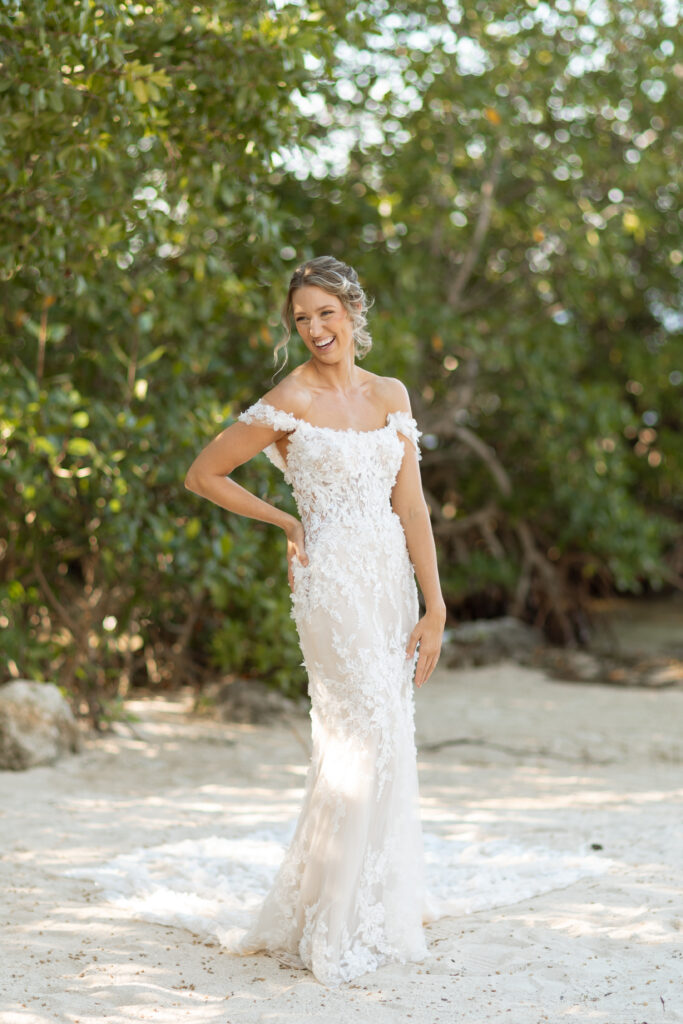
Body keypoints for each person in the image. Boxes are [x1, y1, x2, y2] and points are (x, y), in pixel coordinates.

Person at [184, 254, 447, 986]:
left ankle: (375, 898)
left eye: (324, 313)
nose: (314, 329)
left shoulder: (390, 393)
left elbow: (412, 505)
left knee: (388, 730)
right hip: (328, 579)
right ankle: (334, 921)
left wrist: (434, 604)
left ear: (353, 312)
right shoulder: (288, 399)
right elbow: (204, 473)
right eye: (301, 318)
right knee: (362, 728)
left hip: (389, 577)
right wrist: (286, 522)